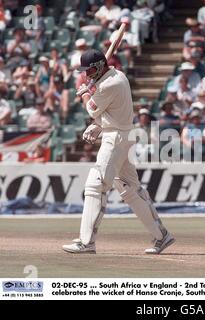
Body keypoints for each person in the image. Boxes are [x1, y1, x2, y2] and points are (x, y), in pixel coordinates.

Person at [62, 49, 174, 254]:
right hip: (119, 134)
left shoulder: (109, 83)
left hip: (115, 139)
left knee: (96, 185)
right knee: (131, 190)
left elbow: (93, 109)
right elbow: (107, 112)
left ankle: (87, 242)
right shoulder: (114, 77)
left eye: (88, 70)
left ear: (98, 67)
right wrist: (98, 123)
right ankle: (161, 236)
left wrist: (86, 93)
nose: (86, 74)